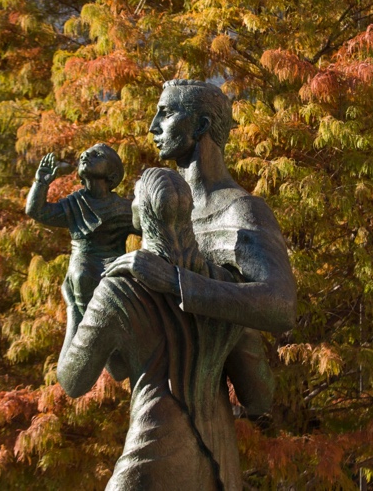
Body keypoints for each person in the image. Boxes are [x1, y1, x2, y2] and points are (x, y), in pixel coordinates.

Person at [103, 80, 297, 417]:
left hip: (215, 399)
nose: (153, 127)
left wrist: (175, 281)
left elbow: (281, 305)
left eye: (165, 114)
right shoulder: (159, 212)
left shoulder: (242, 210)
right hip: (156, 390)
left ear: (201, 125)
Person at [58, 168, 243, 490]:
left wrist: (74, 306)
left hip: (151, 459)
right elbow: (259, 395)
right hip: (220, 465)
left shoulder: (118, 290)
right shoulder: (225, 287)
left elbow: (73, 381)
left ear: (140, 213)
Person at [25, 144, 138, 338]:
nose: (86, 156)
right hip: (84, 262)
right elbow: (37, 211)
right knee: (81, 276)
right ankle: (85, 339)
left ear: (111, 174)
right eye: (84, 155)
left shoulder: (125, 207)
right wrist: (40, 183)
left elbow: (152, 233)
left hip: (114, 262)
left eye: (97, 155)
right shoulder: (75, 203)